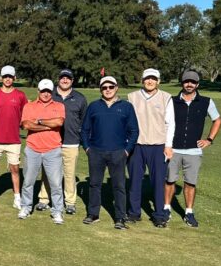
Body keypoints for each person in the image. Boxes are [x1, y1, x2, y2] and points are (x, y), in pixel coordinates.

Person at [164, 70, 221, 228]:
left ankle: (189, 212)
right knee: (169, 180)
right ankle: (166, 208)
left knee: (190, 183)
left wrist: (209, 139)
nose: (189, 84)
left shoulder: (206, 102)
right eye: (186, 81)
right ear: (182, 83)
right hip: (172, 149)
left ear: (197, 84)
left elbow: (217, 120)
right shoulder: (171, 101)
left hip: (193, 151)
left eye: (193, 82)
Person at [81, 76, 139, 230]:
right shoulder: (94, 106)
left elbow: (134, 131)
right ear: (101, 89)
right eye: (104, 87)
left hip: (118, 152)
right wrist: (87, 148)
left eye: (111, 87)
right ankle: (93, 214)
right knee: (94, 184)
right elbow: (85, 130)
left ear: (116, 87)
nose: (107, 90)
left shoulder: (126, 106)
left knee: (119, 186)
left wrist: (127, 151)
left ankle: (120, 217)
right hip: (96, 152)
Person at [126, 68, 174, 226]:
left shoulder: (166, 97)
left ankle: (159, 215)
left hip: (158, 145)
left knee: (158, 182)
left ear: (158, 81)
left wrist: (168, 145)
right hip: (137, 145)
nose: (150, 81)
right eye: (147, 78)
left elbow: (170, 124)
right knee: (134, 180)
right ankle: (134, 213)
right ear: (142, 80)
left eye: (153, 79)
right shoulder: (132, 97)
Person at [36, 69, 87, 216]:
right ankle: (44, 199)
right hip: (51, 141)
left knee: (69, 174)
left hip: (71, 142)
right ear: (58, 79)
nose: (65, 80)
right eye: (62, 78)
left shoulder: (80, 98)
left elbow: (83, 121)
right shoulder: (50, 95)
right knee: (47, 172)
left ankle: (70, 202)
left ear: (72, 80)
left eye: (68, 78)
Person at [17, 80, 66, 225]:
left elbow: (59, 122)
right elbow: (26, 124)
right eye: (43, 91)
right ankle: (26, 207)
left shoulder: (59, 106)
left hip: (53, 149)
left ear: (52, 92)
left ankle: (57, 210)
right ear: (38, 91)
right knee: (28, 182)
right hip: (33, 149)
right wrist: (47, 125)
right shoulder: (29, 106)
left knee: (56, 183)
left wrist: (38, 122)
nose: (46, 94)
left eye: (49, 91)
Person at [0, 65, 28, 209]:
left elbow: (26, 114)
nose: (8, 79)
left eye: (10, 76)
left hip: (13, 140)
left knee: (15, 169)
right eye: (5, 76)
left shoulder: (20, 95)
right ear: (0, 78)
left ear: (14, 78)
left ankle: (17, 197)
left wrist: (24, 125)